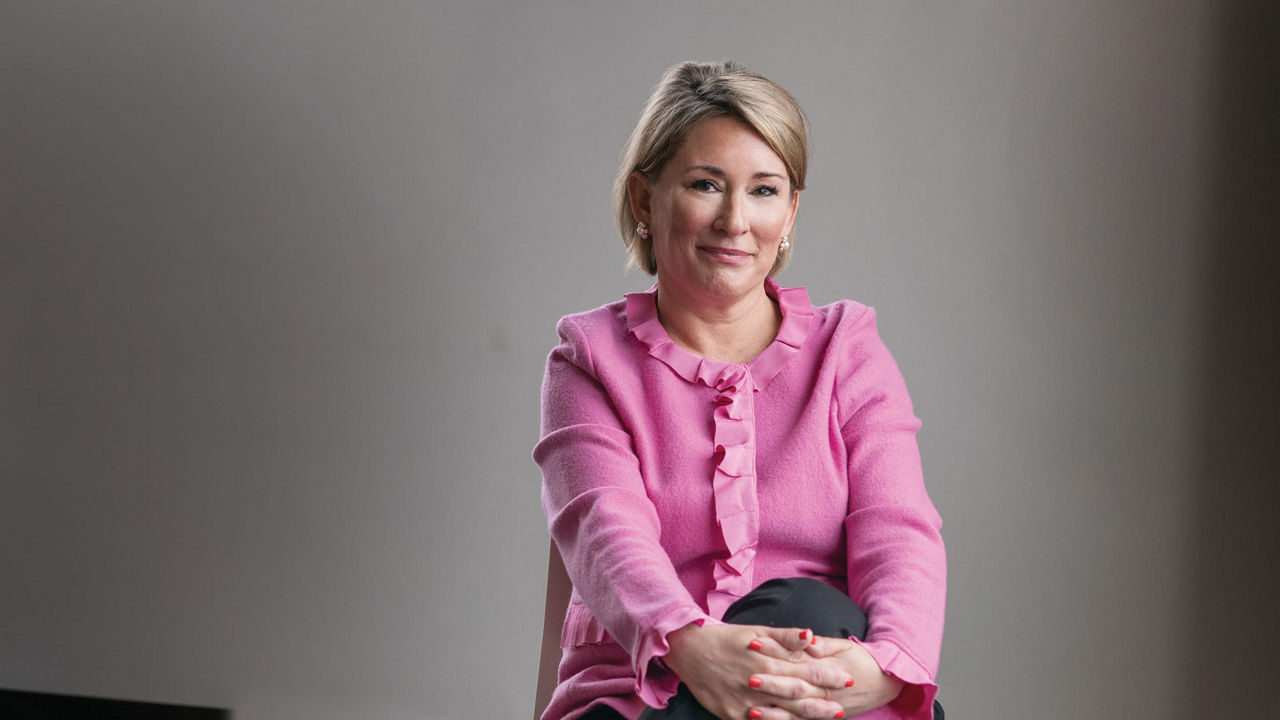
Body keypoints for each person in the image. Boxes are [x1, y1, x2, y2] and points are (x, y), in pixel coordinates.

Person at [534, 60, 945, 720]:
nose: (735, 220)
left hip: (825, 693)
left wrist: (886, 667)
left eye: (763, 190)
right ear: (645, 200)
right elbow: (605, 535)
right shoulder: (589, 359)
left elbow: (900, 534)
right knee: (805, 620)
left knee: (808, 613)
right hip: (643, 696)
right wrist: (695, 650)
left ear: (790, 212)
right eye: (705, 184)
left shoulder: (848, 350)